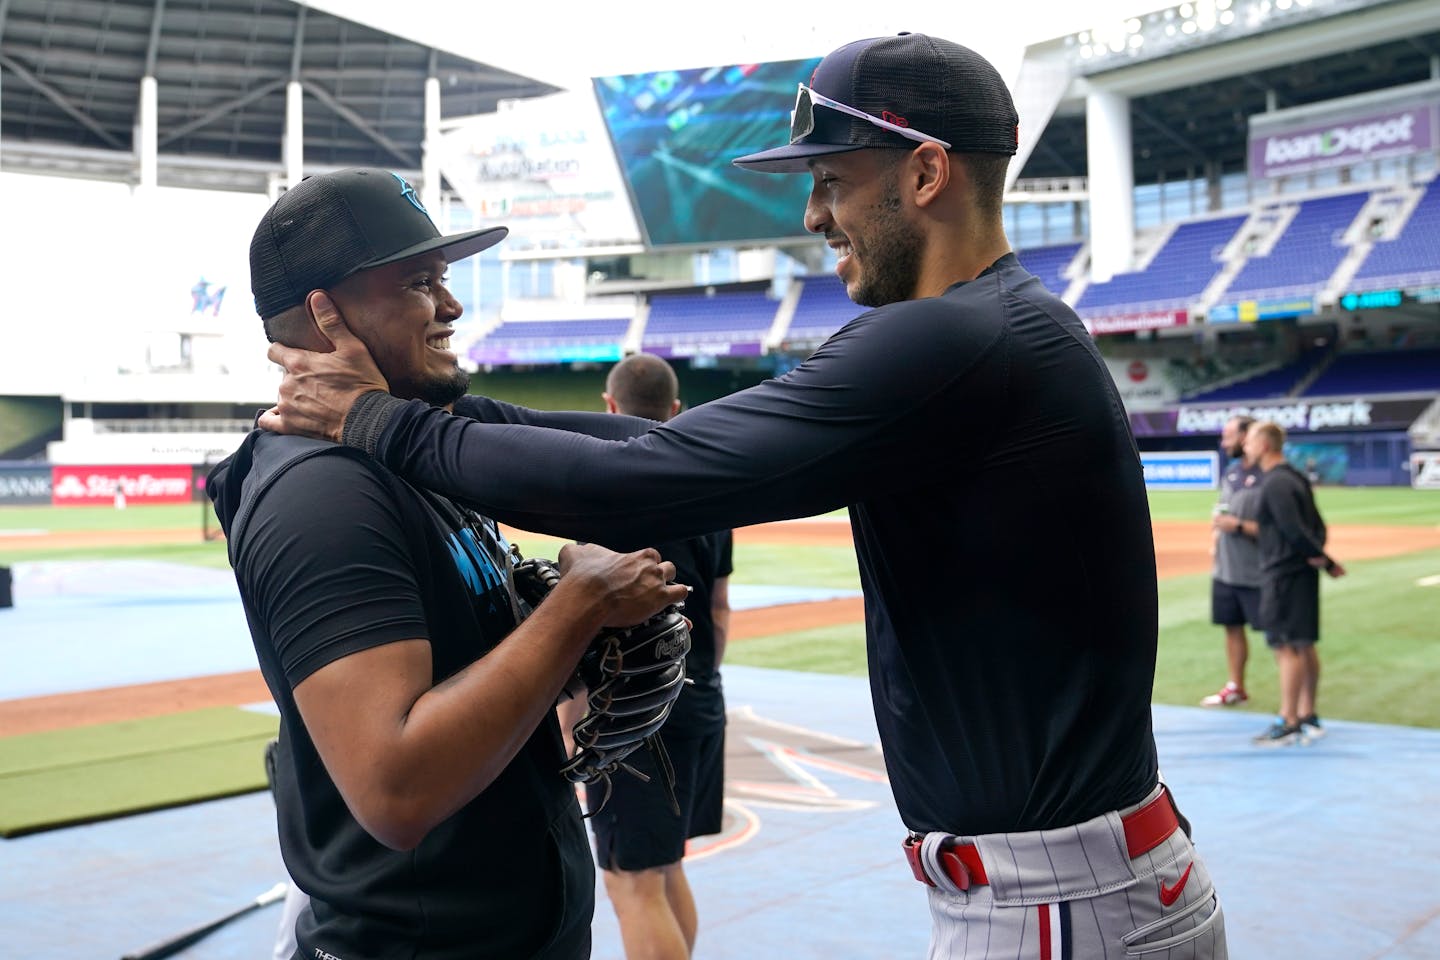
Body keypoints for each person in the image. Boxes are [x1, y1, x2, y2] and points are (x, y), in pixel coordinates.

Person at [260, 34, 1227, 958]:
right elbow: (663, 445)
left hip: (1056, 902)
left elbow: (650, 480)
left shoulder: (954, 339)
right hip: (1072, 887)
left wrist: (381, 423)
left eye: (832, 181)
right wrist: (436, 405)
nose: (813, 216)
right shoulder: (997, 331)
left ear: (926, 176)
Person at [208, 167, 688, 960]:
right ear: (327, 316)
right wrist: (576, 610)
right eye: (421, 283)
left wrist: (550, 651)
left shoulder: (400, 444)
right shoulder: (320, 495)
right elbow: (397, 788)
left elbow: (647, 454)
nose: (453, 305)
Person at [560, 352, 733, 960]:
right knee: (663, 869)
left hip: (634, 716)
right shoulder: (707, 488)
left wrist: (573, 716)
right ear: (676, 410)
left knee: (632, 881)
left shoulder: (607, 485)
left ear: (608, 407)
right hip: (700, 699)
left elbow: (590, 620)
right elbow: (717, 608)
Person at [1242, 420, 1346, 747]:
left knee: (1286, 646)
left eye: (1249, 442)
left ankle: (1288, 720)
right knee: (1303, 644)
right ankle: (1307, 714)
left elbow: (1293, 529)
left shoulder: (1274, 483)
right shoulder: (1296, 478)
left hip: (1282, 574)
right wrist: (1319, 559)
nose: (1245, 447)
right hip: (1300, 573)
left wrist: (1324, 560)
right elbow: (1317, 526)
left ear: (1264, 445)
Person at [1201, 415, 1262, 707]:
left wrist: (1235, 525)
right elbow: (1220, 512)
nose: (1224, 443)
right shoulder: (1233, 473)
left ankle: (1299, 709)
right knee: (1231, 626)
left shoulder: (1271, 476)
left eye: (1228, 437)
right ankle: (1236, 686)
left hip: (1259, 573)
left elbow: (1278, 530)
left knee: (1284, 640)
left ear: (1247, 437)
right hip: (1226, 570)